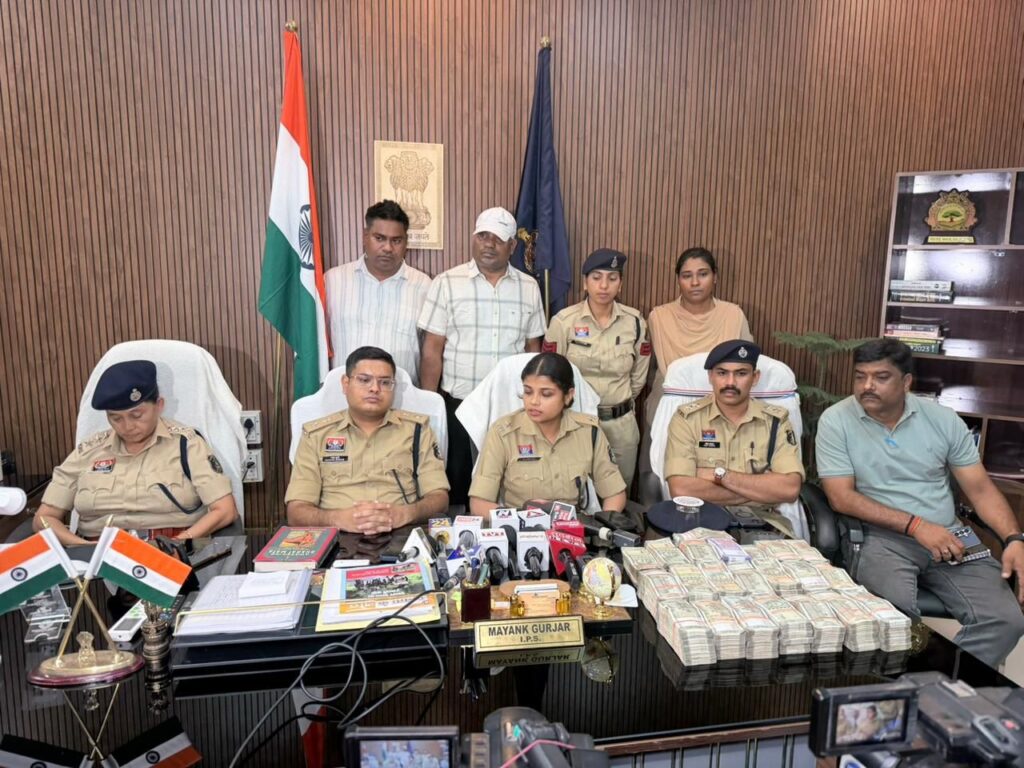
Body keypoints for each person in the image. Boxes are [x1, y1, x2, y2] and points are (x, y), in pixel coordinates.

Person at [816, 338, 1024, 668]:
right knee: (893, 622)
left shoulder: (943, 420)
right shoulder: (836, 420)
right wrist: (916, 526)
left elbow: (981, 491)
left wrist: (1014, 539)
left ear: (906, 382)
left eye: (881, 377)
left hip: (949, 536)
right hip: (881, 538)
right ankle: (915, 688)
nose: (867, 386)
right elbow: (841, 497)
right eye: (860, 376)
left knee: (1005, 621)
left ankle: (936, 689)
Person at [418, 206, 547, 506]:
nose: (489, 244)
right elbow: (432, 350)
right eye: (483, 236)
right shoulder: (447, 282)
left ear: (512, 246)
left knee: (509, 486)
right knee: (459, 487)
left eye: (498, 239)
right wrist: (430, 406)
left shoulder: (529, 287)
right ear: (473, 238)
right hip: (460, 407)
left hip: (511, 408)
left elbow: (533, 350)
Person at [34, 360, 238, 545]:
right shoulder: (88, 451)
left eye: (137, 415)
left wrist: (178, 544)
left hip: (172, 551)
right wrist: (83, 548)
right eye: (116, 418)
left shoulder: (187, 445)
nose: (127, 426)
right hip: (96, 557)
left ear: (159, 405)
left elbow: (225, 510)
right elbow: (44, 518)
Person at [285, 346, 449, 534]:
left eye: (385, 382)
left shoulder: (417, 430)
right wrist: (337, 519)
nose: (375, 388)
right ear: (345, 384)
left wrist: (405, 514)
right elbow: (296, 511)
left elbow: (439, 499)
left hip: (402, 536)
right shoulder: (316, 435)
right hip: (336, 536)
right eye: (364, 380)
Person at [663, 340, 803, 533]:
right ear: (710, 376)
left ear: (755, 377)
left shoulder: (776, 421)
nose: (730, 382)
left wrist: (719, 475)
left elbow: (789, 489)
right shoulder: (686, 419)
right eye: (722, 373)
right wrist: (761, 491)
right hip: (699, 523)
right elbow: (681, 490)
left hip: (764, 524)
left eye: (741, 373)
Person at [469, 352, 627, 514]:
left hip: (574, 526)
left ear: (568, 396)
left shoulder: (589, 432)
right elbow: (479, 504)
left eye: (546, 394)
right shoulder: (503, 433)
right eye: (528, 392)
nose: (534, 401)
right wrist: (525, 518)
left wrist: (604, 524)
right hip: (520, 525)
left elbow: (614, 493)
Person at [544, 248, 650, 487]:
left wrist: (618, 401)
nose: (604, 285)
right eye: (596, 277)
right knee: (575, 491)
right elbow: (551, 374)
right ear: (585, 283)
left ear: (620, 284)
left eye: (612, 278)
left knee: (619, 489)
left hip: (621, 425)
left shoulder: (635, 322)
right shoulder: (563, 322)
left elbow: (639, 376)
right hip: (576, 422)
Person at [324, 200, 432, 384]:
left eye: (396, 240)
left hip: (402, 395)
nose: (388, 248)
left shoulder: (424, 286)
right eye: (379, 238)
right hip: (342, 395)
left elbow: (430, 350)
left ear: (406, 242)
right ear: (365, 236)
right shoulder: (332, 281)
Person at [646, 247, 753, 428]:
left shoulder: (733, 315)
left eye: (703, 274)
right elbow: (647, 370)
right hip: (667, 410)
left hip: (722, 412)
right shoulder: (659, 317)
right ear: (678, 280)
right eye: (687, 276)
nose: (695, 282)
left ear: (715, 277)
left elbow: (747, 367)